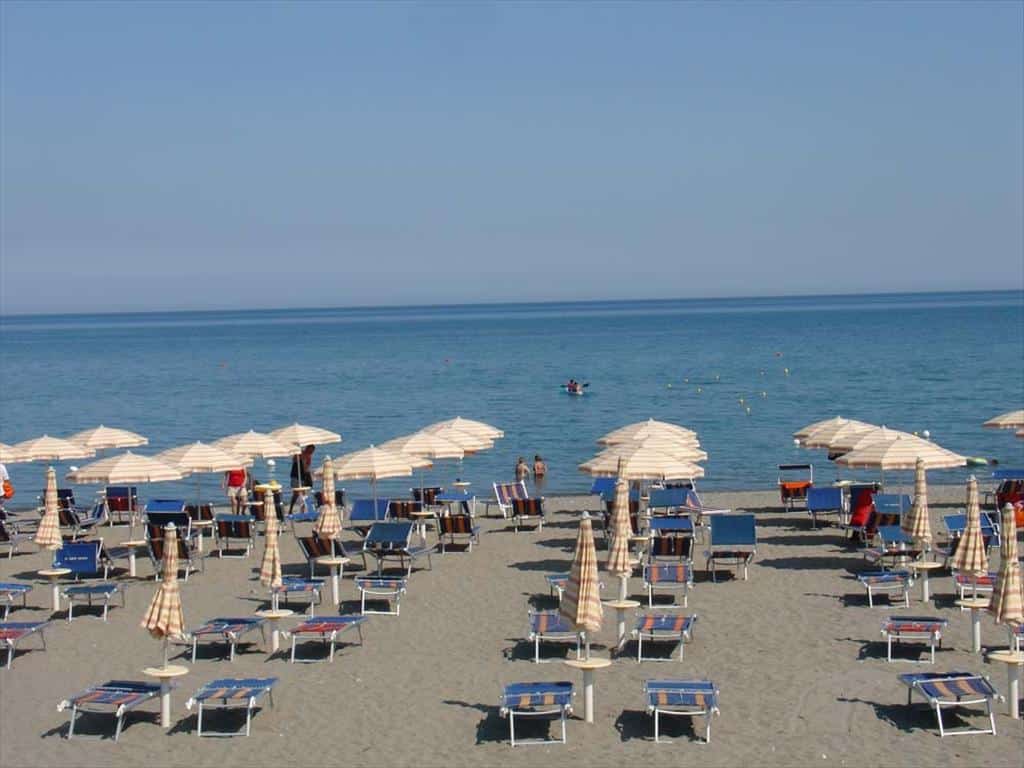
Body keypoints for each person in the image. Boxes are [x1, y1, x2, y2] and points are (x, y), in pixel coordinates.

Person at [289, 444, 315, 514]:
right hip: (295, 476)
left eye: (312, 451)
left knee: (304, 494)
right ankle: (290, 509)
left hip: (303, 477)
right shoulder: (299, 453)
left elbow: (306, 468)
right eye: (310, 450)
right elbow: (294, 460)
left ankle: (303, 510)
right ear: (307, 448)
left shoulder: (309, 457)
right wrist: (300, 458)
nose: (311, 452)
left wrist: (305, 463)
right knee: (296, 494)